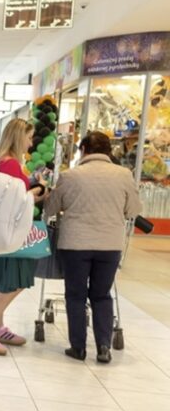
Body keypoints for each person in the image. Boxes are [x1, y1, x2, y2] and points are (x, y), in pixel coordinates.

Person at [44, 131, 141, 363]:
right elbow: (134, 210)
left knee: (76, 295)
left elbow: (51, 208)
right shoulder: (123, 175)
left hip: (75, 245)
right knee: (101, 295)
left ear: (84, 150)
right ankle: (104, 346)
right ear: (108, 151)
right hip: (110, 245)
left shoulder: (70, 176)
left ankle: (78, 348)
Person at [0, 119, 48, 355]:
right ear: (19, 137)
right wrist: (37, 191)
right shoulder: (11, 165)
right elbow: (14, 203)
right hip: (11, 235)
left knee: (1, 282)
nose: (30, 142)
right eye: (28, 137)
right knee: (13, 282)